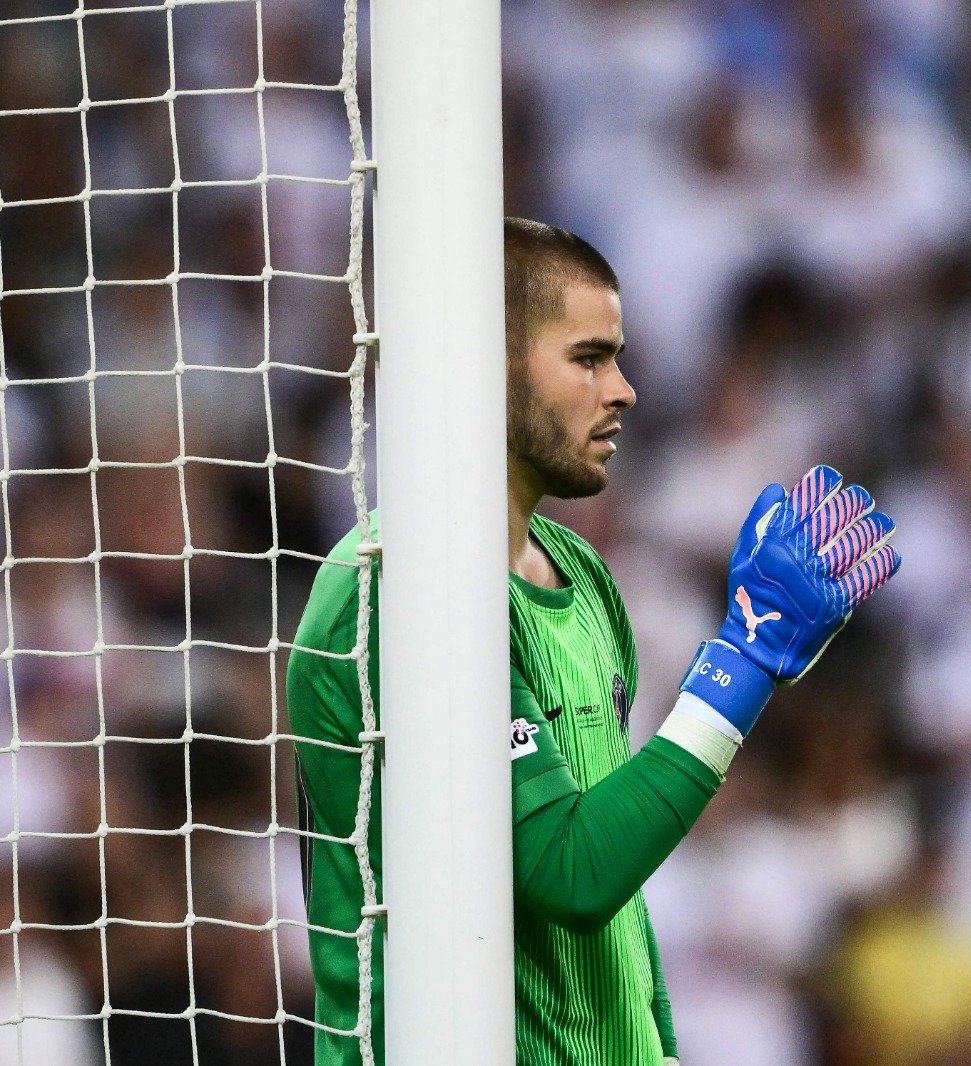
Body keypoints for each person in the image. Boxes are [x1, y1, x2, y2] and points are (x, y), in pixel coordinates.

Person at [286, 218, 902, 1065]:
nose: (624, 389)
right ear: (483, 361)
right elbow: (569, 873)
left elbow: (618, 903)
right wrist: (743, 665)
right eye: (588, 358)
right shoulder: (392, 591)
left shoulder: (580, 571)